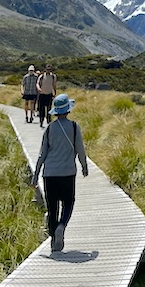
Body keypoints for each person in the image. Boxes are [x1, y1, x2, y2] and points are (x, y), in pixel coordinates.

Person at [32, 93, 88, 252]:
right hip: (68, 173)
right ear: (68, 111)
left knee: (52, 208)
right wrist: (84, 166)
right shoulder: (75, 127)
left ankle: (53, 242)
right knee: (68, 203)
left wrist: (36, 175)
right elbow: (80, 150)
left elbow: (42, 154)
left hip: (49, 174)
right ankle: (62, 226)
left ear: (55, 112)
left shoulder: (49, 129)